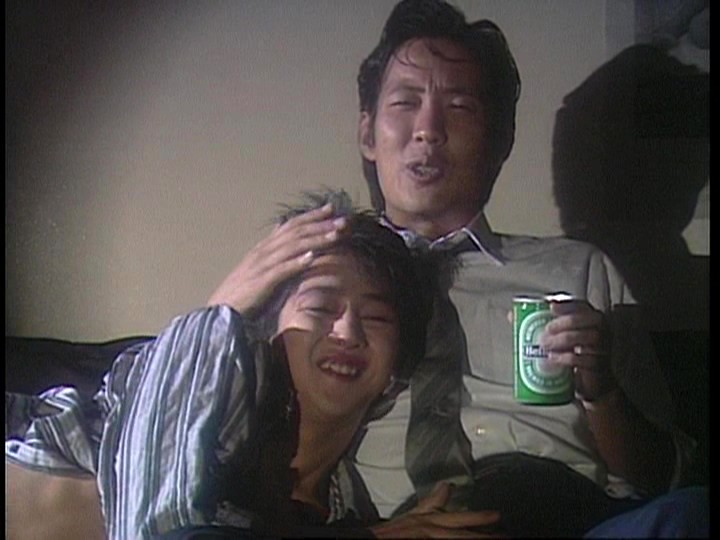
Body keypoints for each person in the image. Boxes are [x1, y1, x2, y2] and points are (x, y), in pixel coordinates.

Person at [351, 0, 708, 537]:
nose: (428, 130)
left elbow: (664, 475)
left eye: (459, 106)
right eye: (405, 102)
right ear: (368, 135)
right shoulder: (332, 287)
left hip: (569, 517)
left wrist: (601, 392)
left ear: (500, 143)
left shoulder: (581, 272)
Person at [7, 189, 502, 539]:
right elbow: (163, 525)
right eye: (320, 307)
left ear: (396, 370)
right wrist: (219, 316)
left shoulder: (345, 506)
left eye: (375, 318)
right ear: (267, 329)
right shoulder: (202, 371)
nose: (347, 332)